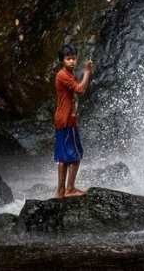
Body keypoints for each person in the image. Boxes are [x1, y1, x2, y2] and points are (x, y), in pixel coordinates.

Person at [54, 44, 92, 198]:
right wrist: (87, 73)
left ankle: (61, 191)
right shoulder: (63, 75)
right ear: (62, 60)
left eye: (74, 58)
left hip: (63, 119)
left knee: (63, 157)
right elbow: (80, 90)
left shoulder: (66, 74)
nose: (72, 61)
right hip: (67, 121)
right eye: (68, 59)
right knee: (75, 156)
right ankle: (69, 188)